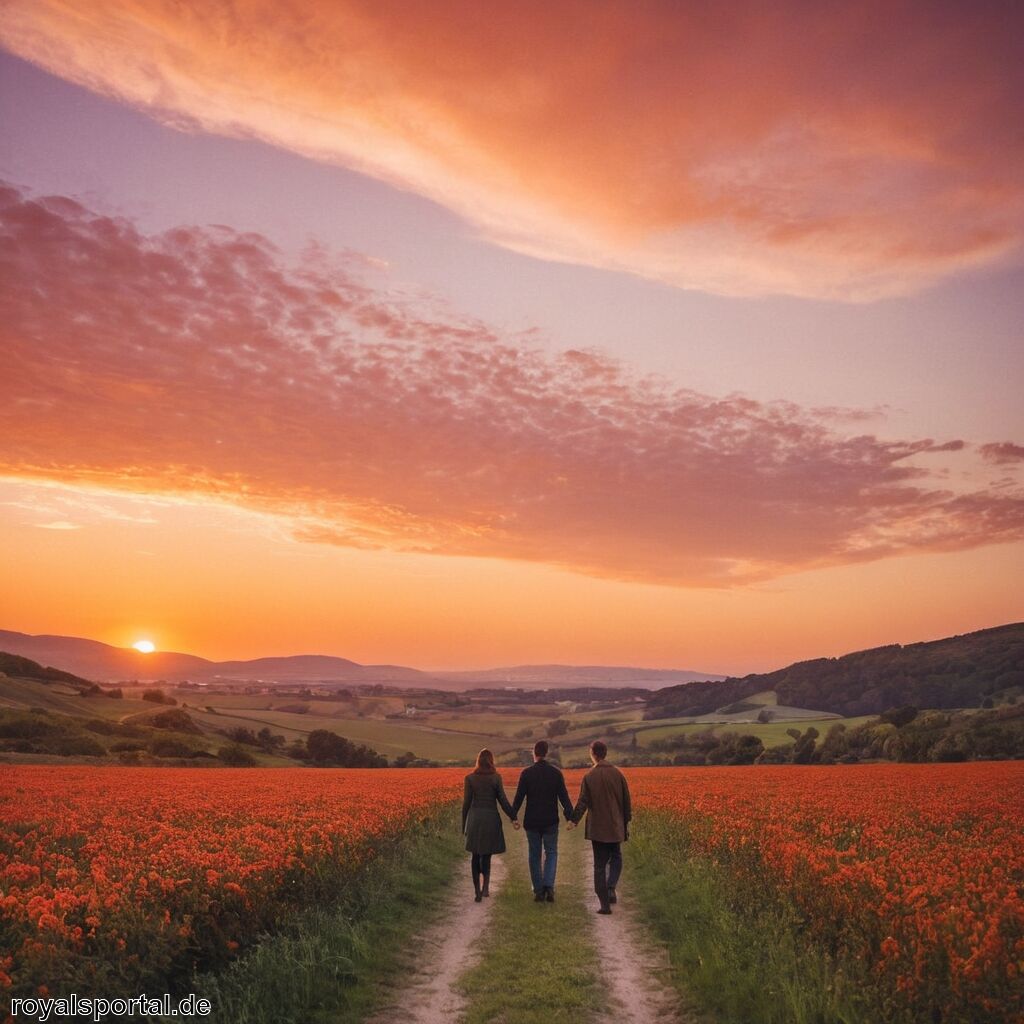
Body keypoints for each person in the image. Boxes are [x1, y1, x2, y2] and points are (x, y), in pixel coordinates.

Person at [568, 740, 632, 914]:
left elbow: (583, 802)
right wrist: (626, 823)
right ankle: (611, 886)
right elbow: (626, 802)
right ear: (605, 753)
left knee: (599, 865)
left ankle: (604, 904)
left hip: (598, 828)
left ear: (592, 754)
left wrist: (574, 820)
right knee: (616, 857)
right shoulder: (618, 774)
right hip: (616, 825)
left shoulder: (589, 776)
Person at [511, 739, 574, 903]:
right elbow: (564, 798)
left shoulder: (526, 773)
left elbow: (518, 798)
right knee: (551, 852)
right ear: (546, 753)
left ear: (534, 753)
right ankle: (549, 887)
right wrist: (570, 817)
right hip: (550, 821)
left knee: (534, 855)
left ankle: (538, 891)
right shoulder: (555, 773)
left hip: (532, 821)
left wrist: (513, 816)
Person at [462, 748, 517, 902]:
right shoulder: (496, 778)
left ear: (478, 761)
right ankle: (486, 887)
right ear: (491, 761)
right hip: (490, 818)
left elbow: (466, 804)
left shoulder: (470, 778)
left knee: (475, 855)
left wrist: (464, 825)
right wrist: (513, 817)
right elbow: (503, 801)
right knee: (486, 854)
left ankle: (477, 892)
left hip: (475, 819)